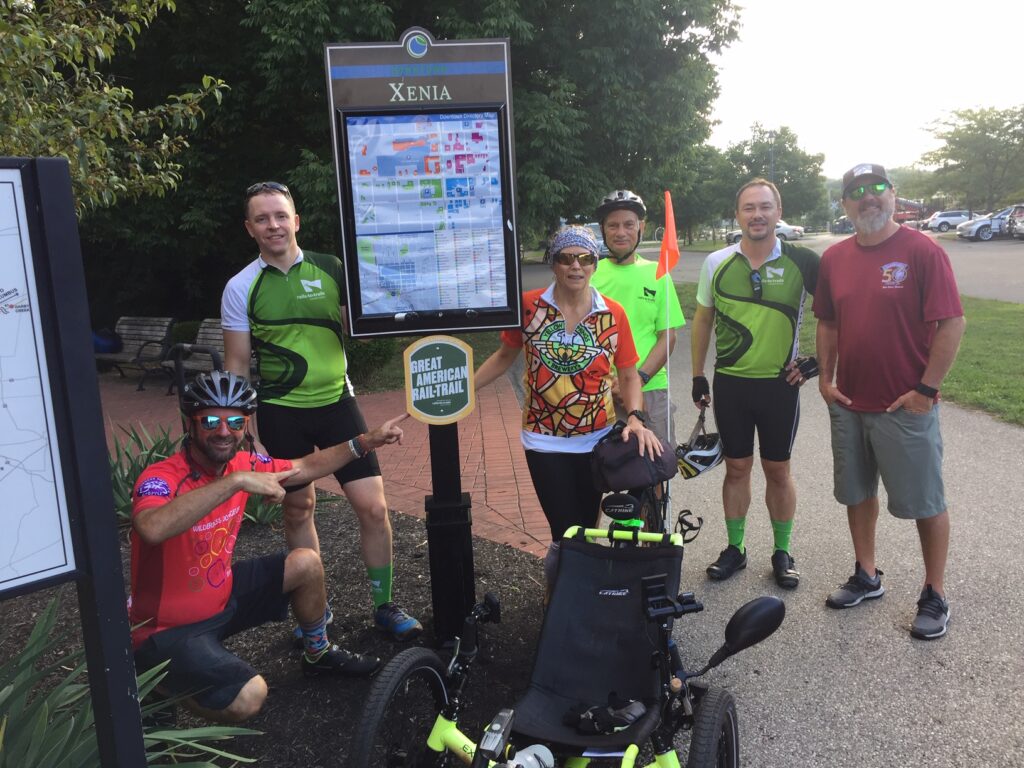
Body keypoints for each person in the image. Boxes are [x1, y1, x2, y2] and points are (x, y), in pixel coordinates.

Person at [130, 370, 407, 722]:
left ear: (246, 426)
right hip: (165, 629)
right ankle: (155, 686)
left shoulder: (242, 463)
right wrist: (235, 482)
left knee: (306, 563)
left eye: (235, 422)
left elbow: (304, 466)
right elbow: (151, 527)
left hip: (221, 596)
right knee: (249, 697)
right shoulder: (162, 477)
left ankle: (318, 653)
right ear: (190, 424)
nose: (224, 431)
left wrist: (365, 442)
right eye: (211, 421)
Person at [222, 181, 421, 642]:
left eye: (280, 215)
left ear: (296, 221)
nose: (273, 225)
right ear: (250, 228)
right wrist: (243, 428)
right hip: (280, 411)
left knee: (374, 508)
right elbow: (236, 364)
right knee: (298, 509)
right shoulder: (240, 286)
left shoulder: (331, 268)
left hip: (337, 404)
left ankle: (384, 605)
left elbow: (364, 328)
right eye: (262, 218)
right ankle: (317, 610)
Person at [815, 163, 965, 640]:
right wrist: (825, 380)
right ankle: (867, 574)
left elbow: (952, 322)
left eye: (877, 187)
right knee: (857, 493)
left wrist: (926, 390)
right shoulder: (835, 259)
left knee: (925, 500)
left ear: (893, 194)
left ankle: (935, 592)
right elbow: (828, 322)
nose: (868, 197)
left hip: (904, 405)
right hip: (849, 402)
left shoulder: (922, 251)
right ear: (845, 204)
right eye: (857, 191)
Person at [474, 225, 662, 585]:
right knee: (564, 530)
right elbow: (504, 356)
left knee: (586, 527)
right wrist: (466, 390)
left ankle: (578, 594)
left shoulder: (612, 314)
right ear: (553, 263)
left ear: (595, 264)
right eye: (566, 258)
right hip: (544, 439)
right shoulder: (529, 307)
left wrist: (636, 418)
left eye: (585, 258)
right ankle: (563, 594)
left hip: (596, 439)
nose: (576, 266)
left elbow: (627, 374)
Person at [690, 178, 819, 589]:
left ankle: (782, 551)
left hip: (780, 385)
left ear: (779, 212)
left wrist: (817, 361)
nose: (757, 214)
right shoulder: (717, 261)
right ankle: (735, 548)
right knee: (737, 468)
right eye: (749, 208)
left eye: (765, 206)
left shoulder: (802, 260)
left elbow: (836, 313)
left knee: (778, 470)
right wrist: (697, 374)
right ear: (737, 215)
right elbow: (703, 319)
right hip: (731, 384)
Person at [589, 190, 686, 444]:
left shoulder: (658, 273)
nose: (621, 232)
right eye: (613, 225)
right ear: (603, 230)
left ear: (641, 227)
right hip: (601, 390)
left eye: (629, 224)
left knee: (658, 462)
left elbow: (667, 336)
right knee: (601, 464)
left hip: (650, 387)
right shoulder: (590, 275)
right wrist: (613, 383)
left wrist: (638, 380)